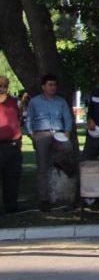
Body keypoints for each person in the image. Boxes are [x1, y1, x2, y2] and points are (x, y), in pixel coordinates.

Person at [26, 74, 74, 211]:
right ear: (43, 87)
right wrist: (31, 134)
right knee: (42, 169)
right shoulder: (34, 101)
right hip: (41, 133)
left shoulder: (61, 101)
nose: (53, 87)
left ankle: (54, 161)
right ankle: (44, 199)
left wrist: (67, 132)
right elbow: (29, 119)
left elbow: (67, 118)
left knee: (68, 147)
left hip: (58, 132)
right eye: (50, 85)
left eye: (55, 85)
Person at [0, 75, 22, 214]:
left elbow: (18, 119)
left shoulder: (13, 102)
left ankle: (11, 206)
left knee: (12, 177)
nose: (2, 89)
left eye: (4, 86)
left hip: (13, 145)